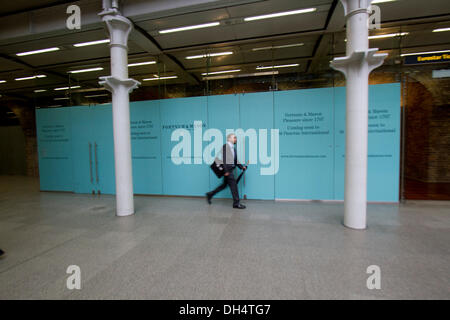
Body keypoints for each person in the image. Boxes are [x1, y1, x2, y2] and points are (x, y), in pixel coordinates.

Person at [206, 133, 247, 209]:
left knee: (224, 185)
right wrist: (225, 171)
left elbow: (235, 160)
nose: (236, 139)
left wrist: (242, 167)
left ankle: (210, 194)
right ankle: (236, 203)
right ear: (229, 139)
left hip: (230, 170)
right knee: (234, 186)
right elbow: (224, 160)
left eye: (236, 138)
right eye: (234, 138)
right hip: (228, 171)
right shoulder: (226, 147)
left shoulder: (233, 148)